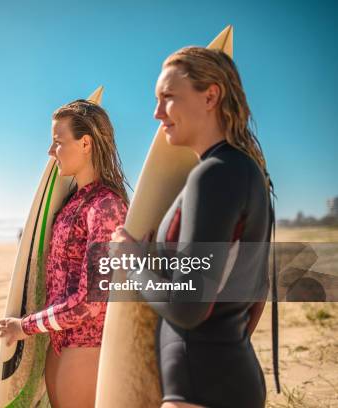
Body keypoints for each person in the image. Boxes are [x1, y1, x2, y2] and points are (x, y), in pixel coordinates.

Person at [111, 47, 275, 408]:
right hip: (224, 375)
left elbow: (188, 306)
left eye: (168, 98)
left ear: (210, 96)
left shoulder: (213, 176)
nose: (156, 113)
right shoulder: (245, 172)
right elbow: (254, 296)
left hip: (203, 387)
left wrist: (132, 262)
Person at [0, 99, 129, 408]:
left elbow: (90, 303)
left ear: (85, 143)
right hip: (58, 342)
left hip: (86, 347)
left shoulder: (106, 207)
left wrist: (25, 326)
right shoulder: (73, 203)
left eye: (57, 142)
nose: (49, 151)